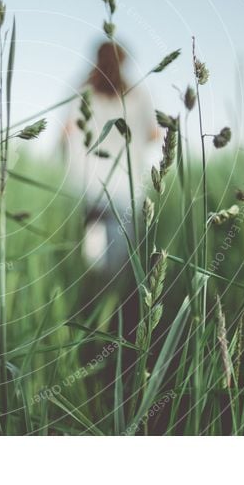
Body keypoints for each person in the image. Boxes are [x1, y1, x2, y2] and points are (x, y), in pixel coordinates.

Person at [62, 41, 159, 339]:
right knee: (122, 265)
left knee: (94, 263)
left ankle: (92, 320)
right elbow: (154, 134)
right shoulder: (139, 96)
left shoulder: (84, 93)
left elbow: (67, 130)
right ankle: (117, 324)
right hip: (126, 190)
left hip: (92, 186)